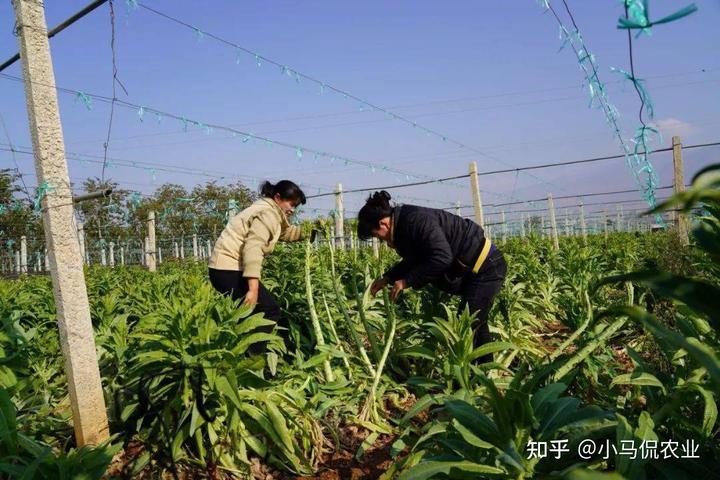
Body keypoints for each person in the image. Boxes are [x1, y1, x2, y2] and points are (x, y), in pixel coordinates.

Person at [357, 191, 506, 363]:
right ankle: (478, 371)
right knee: (471, 319)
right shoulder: (405, 223)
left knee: (471, 319)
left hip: (487, 266)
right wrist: (388, 278)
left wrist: (407, 281)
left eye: (378, 236)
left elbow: (441, 257)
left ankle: (483, 372)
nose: (383, 242)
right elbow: (414, 259)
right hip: (476, 268)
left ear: (384, 223)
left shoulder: (415, 221)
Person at [208, 180, 308, 352]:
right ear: (278, 197)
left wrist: (309, 231)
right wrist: (252, 289)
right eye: (291, 204)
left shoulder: (271, 212)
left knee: (248, 314)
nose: (292, 209)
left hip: (224, 268)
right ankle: (250, 360)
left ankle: (235, 351)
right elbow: (253, 249)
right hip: (227, 269)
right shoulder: (267, 214)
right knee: (269, 310)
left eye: (295, 206)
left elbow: (284, 232)